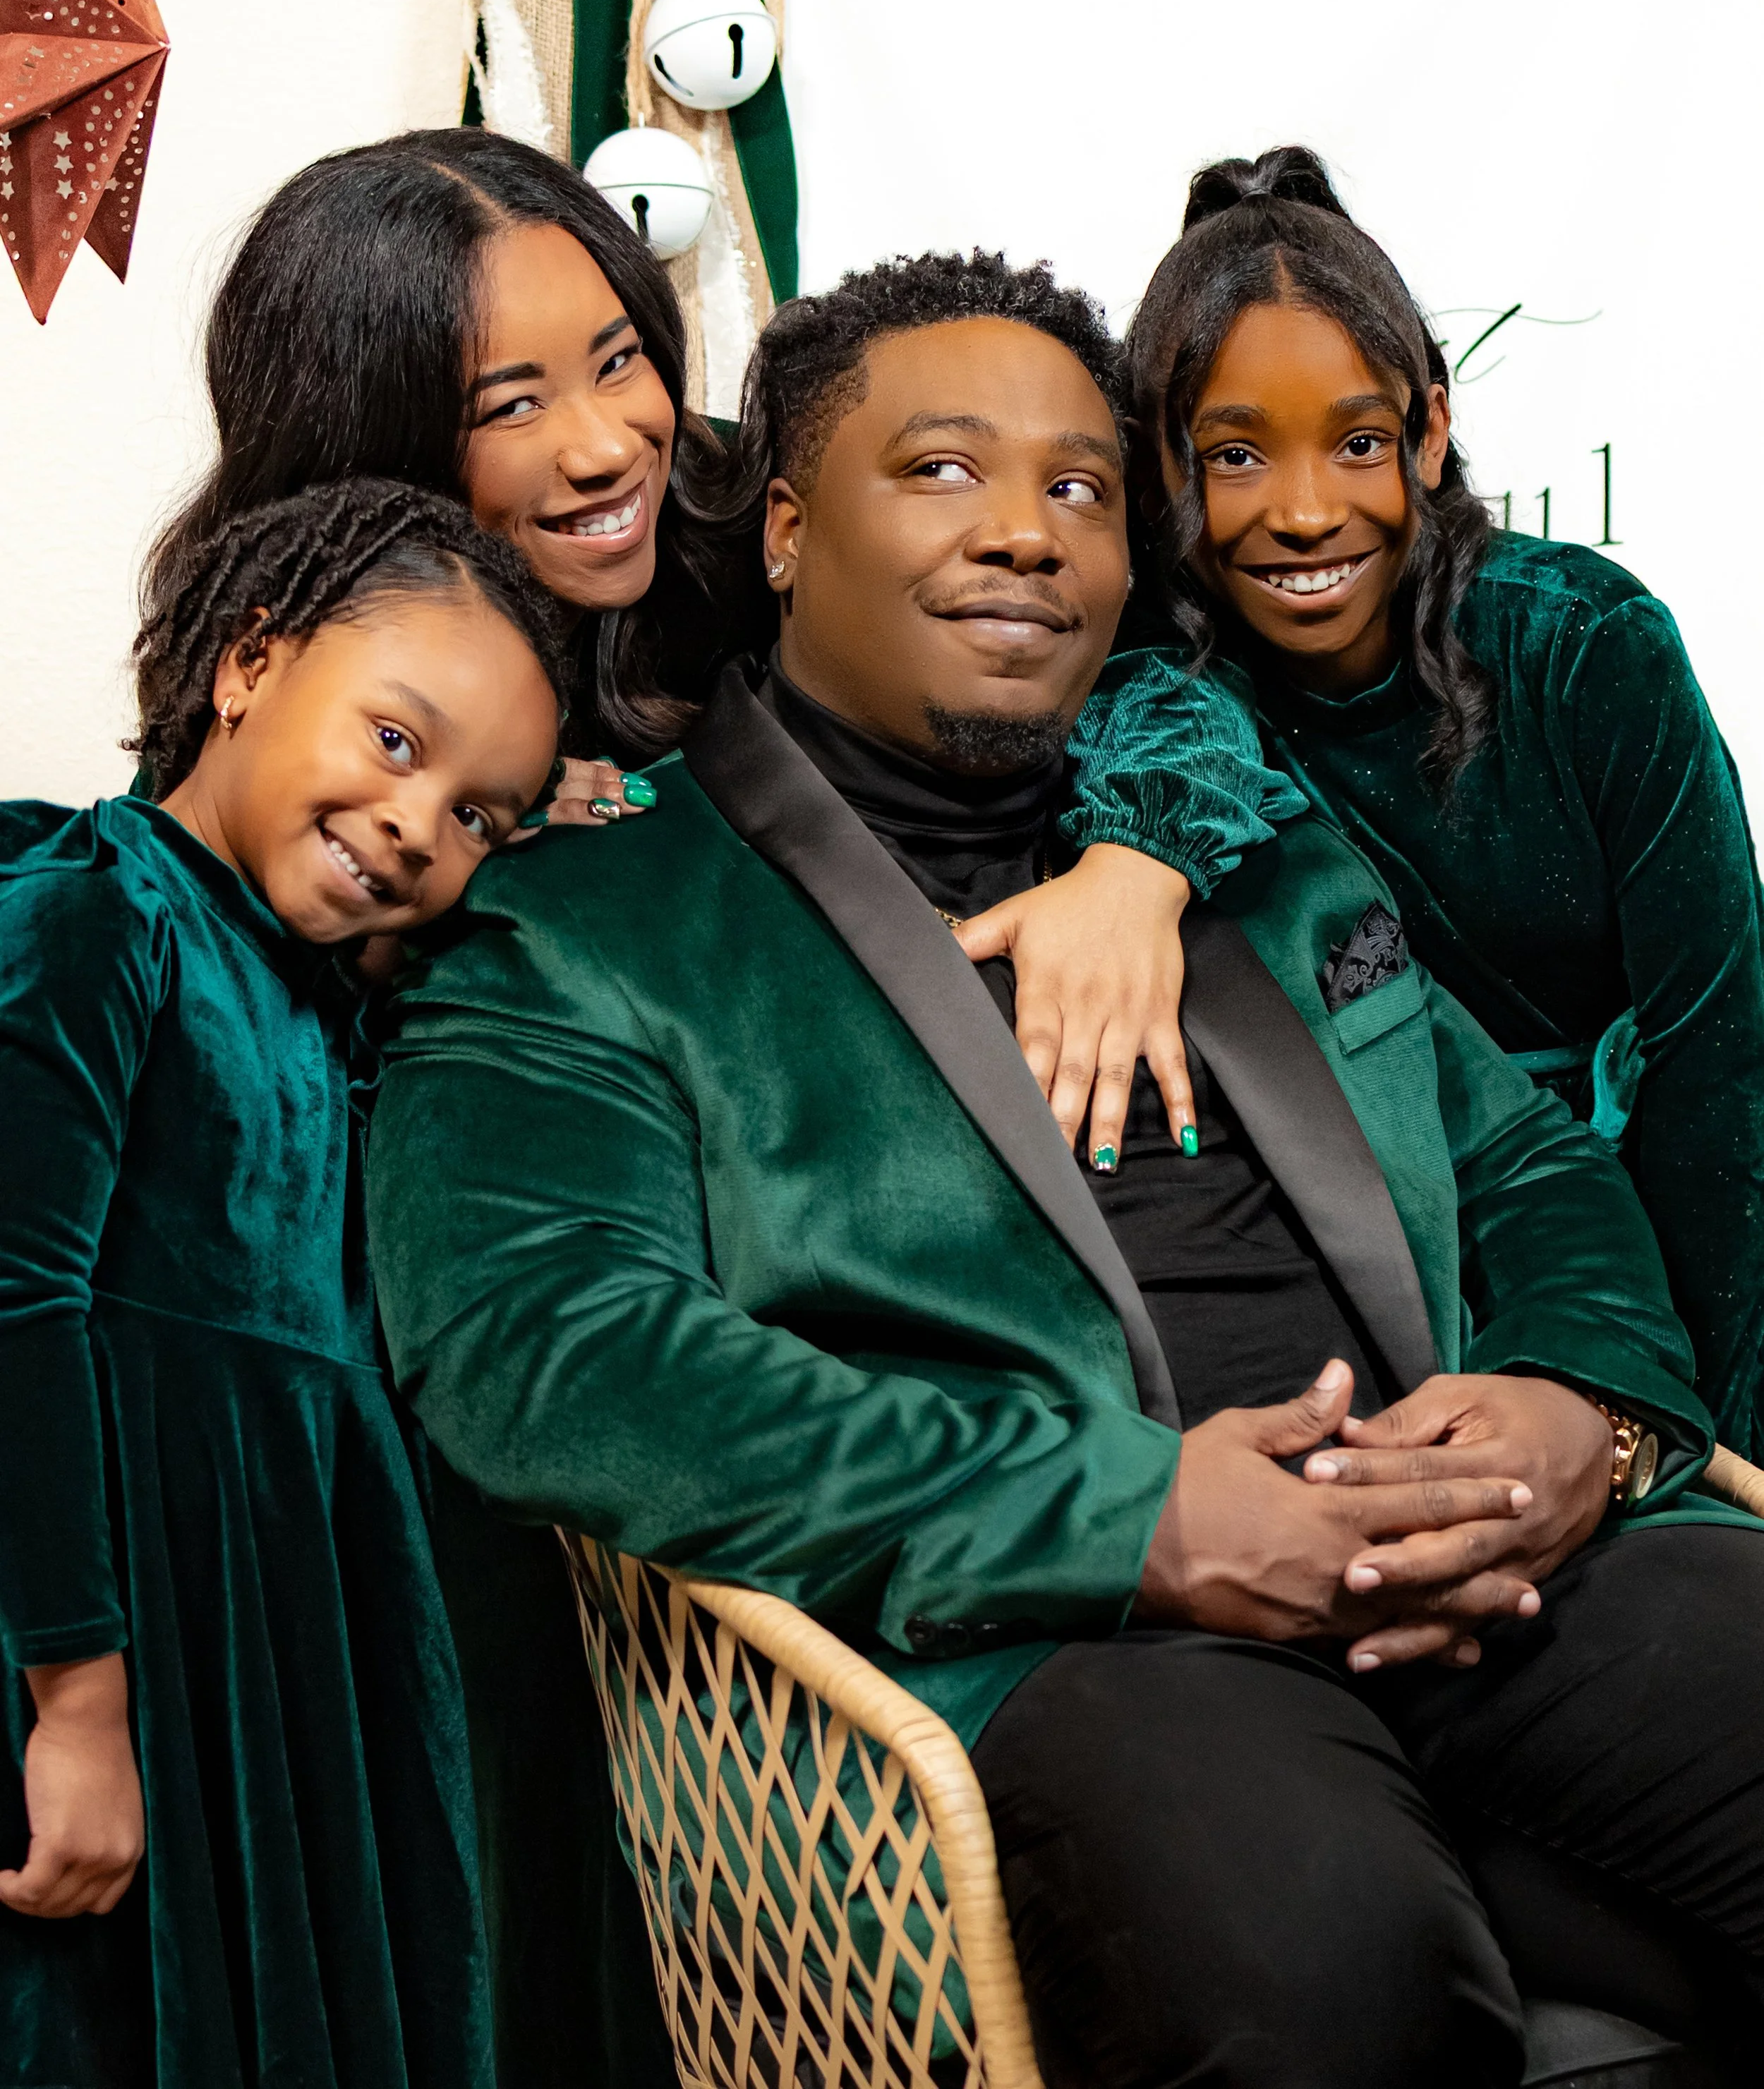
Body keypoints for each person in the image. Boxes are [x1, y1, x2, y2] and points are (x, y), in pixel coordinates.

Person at [365, 253, 1764, 2089]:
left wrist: (1584, 1408)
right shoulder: (586, 920)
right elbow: (550, 1347)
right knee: (1316, 1988)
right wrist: (1130, 1509)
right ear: (784, 528)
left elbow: (1510, 1150)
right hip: (1071, 1622)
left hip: (1489, 1541)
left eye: (1080, 486)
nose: (1024, 530)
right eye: (941, 470)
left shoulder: (1245, 854)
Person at [1041, 146, 1764, 1460]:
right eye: (1237, 454)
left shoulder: (1587, 645)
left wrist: (1700, 1439)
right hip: (1371, 1275)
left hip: (1652, 1256)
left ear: (1429, 431)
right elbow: (1169, 720)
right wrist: (1135, 860)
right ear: (1157, 465)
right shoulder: (1151, 681)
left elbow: (1726, 1078)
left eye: (1359, 442)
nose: (1306, 511)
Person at [0, 477, 565, 2089]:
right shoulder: (93, 923)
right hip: (109, 1615)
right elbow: (17, 1317)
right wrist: (81, 1712)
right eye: (398, 743)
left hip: (288, 1611)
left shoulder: (325, 1007)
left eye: (479, 816)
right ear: (249, 663)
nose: (419, 824)